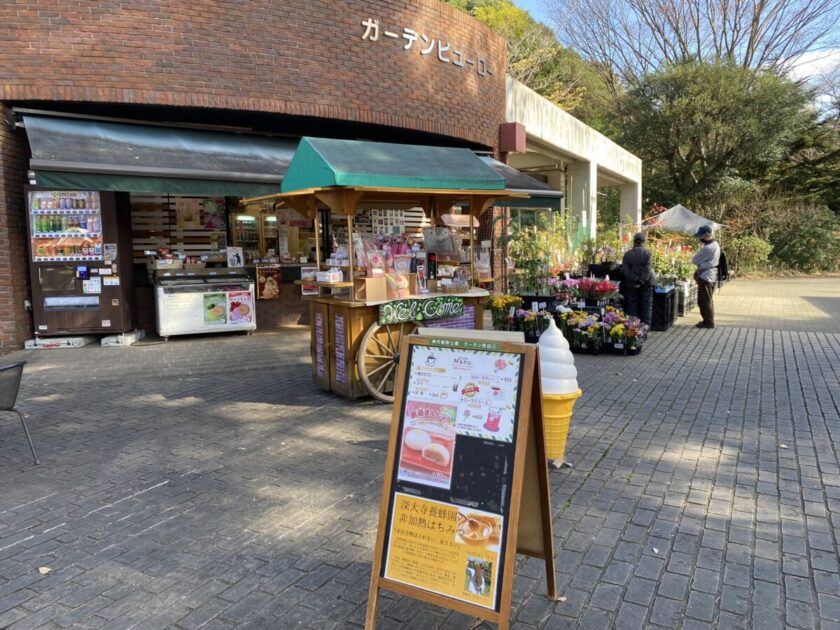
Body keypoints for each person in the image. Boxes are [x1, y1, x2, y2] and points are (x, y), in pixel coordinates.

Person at [620, 232, 655, 324]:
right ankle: (646, 326)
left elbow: (626, 270)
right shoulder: (648, 253)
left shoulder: (627, 254)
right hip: (647, 283)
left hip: (632, 283)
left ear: (634, 241)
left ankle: (632, 326)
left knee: (632, 303)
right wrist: (641, 280)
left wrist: (635, 279)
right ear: (644, 242)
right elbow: (648, 269)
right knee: (647, 304)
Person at [692, 225, 720, 329]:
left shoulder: (709, 248)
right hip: (710, 275)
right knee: (707, 299)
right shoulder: (715, 244)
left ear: (707, 235)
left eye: (701, 236)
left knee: (705, 300)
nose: (700, 238)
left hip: (706, 276)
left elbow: (694, 260)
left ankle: (708, 322)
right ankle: (707, 320)